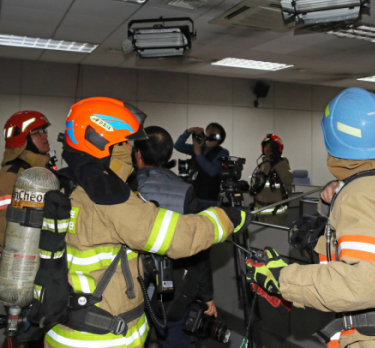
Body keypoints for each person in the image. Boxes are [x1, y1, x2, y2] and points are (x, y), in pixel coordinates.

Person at [41, 97, 251, 348]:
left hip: (65, 327)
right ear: (100, 142)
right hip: (101, 337)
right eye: (123, 142)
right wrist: (227, 218)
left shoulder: (65, 184)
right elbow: (180, 237)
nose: (129, 150)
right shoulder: (108, 198)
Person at [245, 88, 375, 348]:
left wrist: (282, 278)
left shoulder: (363, 193)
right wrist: (332, 206)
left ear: (333, 136)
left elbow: (363, 284)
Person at [133, 126, 215, 348]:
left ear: (137, 154)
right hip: (172, 288)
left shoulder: (125, 188)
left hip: (129, 285)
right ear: (169, 155)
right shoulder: (185, 190)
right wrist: (207, 295)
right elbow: (200, 247)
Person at [0, 111, 52, 253]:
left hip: (40, 249)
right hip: (20, 255)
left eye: (44, 131)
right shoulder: (11, 175)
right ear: (22, 140)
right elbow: (3, 222)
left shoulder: (40, 170)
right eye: (37, 133)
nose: (45, 135)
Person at [174, 124, 229, 208]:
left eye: (214, 128)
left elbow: (212, 171)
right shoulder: (198, 147)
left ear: (219, 136)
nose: (211, 129)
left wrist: (198, 152)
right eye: (209, 128)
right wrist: (189, 131)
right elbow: (178, 146)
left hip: (207, 197)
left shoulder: (222, 152)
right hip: (192, 195)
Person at [250, 134, 293, 226]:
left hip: (274, 213)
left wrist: (277, 162)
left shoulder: (281, 163)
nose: (267, 148)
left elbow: (288, 180)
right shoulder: (263, 164)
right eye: (266, 145)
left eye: (271, 146)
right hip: (260, 210)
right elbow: (260, 184)